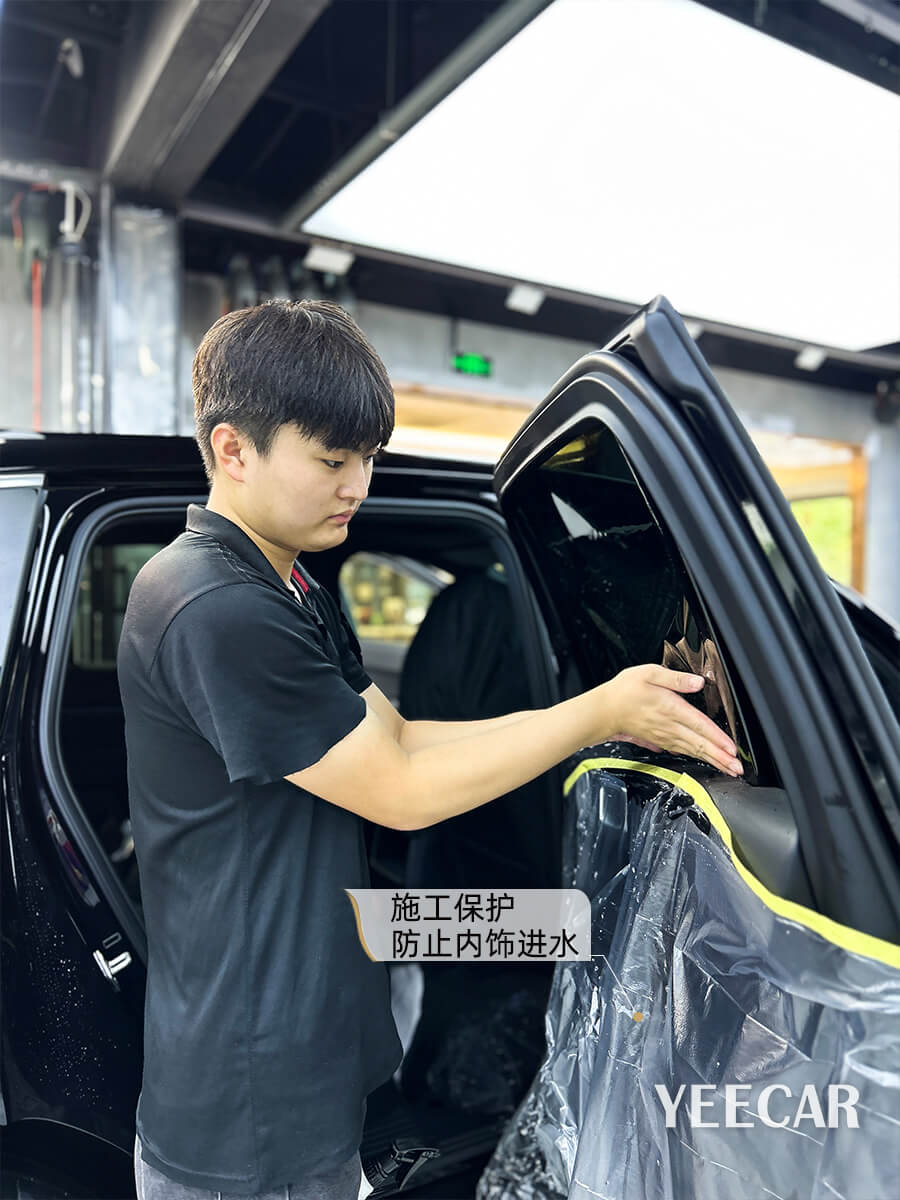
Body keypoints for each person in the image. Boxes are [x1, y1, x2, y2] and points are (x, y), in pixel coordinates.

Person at [117, 299, 742, 1200]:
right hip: (250, 1114)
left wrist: (600, 717)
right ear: (233, 449)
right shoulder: (214, 604)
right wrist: (599, 711)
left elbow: (401, 737)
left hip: (294, 1072)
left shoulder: (287, 584)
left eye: (368, 458)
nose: (358, 486)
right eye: (333, 460)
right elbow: (400, 788)